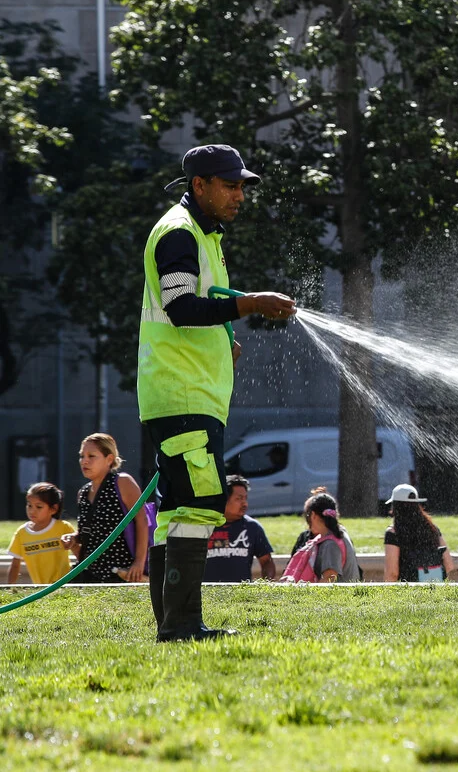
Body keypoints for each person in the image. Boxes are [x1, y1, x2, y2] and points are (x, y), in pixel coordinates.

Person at [139, 143, 296, 641]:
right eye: (230, 186)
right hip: (184, 394)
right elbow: (182, 307)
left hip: (185, 393)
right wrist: (248, 304)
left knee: (174, 512)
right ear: (199, 185)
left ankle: (173, 625)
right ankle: (183, 626)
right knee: (201, 504)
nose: (239, 196)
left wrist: (223, 341)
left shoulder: (203, 235)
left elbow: (196, 308)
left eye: (242, 187)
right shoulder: (179, 233)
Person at [60, 434, 148, 584]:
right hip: (90, 574)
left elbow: (142, 521)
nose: (84, 461)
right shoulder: (82, 493)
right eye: (82, 456)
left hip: (121, 572)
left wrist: (139, 562)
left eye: (91, 456)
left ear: (109, 459)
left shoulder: (122, 482)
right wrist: (73, 538)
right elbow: (91, 532)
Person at [204, 475, 276, 582]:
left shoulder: (252, 527)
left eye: (245, 498)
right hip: (207, 591)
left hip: (240, 592)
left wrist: (266, 583)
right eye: (239, 499)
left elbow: (267, 562)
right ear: (224, 499)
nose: (245, 504)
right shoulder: (204, 525)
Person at [281, 488, 360, 583]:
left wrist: (309, 592)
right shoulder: (341, 533)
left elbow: (329, 578)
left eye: (307, 515)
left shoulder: (330, 544)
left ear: (313, 515)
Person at [383, 484, 455, 582]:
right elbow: (449, 565)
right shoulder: (432, 529)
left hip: (409, 589)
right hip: (435, 587)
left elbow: (392, 573)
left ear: (395, 507)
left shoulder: (393, 533)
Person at [8, 483, 74, 584]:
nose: (32, 511)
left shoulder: (64, 527)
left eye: (39, 507)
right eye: (29, 505)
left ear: (53, 509)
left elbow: (79, 553)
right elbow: (15, 565)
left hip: (65, 586)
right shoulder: (21, 533)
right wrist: (10, 588)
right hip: (41, 589)